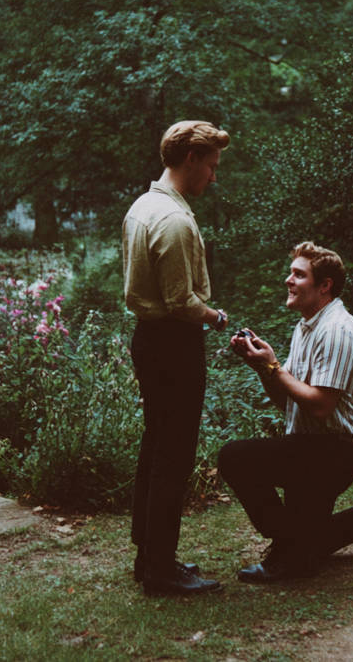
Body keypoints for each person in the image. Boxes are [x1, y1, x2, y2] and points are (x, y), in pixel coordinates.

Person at [218, 241, 353, 583]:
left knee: (234, 457)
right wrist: (262, 368)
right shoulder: (307, 327)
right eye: (291, 273)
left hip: (332, 454)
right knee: (309, 544)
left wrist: (273, 367)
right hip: (310, 447)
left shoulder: (336, 330)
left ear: (324, 285)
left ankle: (290, 544)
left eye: (299, 275)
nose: (288, 280)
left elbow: (320, 406)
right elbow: (289, 400)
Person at [122, 120, 231, 596]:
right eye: (211, 166)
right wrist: (216, 317)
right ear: (191, 159)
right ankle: (161, 570)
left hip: (150, 340)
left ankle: (149, 555)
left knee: (156, 445)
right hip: (173, 343)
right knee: (174, 454)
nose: (213, 176)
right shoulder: (173, 220)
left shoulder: (143, 206)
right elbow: (181, 302)